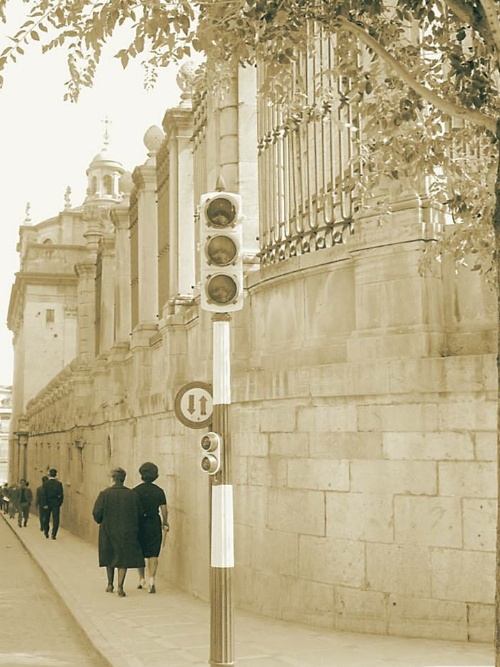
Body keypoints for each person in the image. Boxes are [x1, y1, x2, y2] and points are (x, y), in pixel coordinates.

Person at [92, 467, 145, 598]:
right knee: (123, 558)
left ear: (113, 479)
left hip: (108, 530)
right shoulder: (132, 494)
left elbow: (96, 513)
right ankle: (120, 587)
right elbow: (140, 513)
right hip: (127, 531)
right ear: (123, 479)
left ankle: (110, 584)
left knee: (110, 555)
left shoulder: (104, 494)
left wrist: (100, 521)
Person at [134, 462, 169, 594]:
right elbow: (164, 510)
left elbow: (133, 509)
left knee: (140, 552)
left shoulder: (135, 491)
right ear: (156, 475)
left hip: (139, 523)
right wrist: (165, 523)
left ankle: (141, 579)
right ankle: (152, 579)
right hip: (154, 522)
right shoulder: (159, 491)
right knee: (153, 552)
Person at [41, 468, 64, 539]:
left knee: (46, 517)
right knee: (56, 519)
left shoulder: (45, 484)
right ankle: (54, 534)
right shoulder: (59, 484)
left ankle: (46, 531)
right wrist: (59, 503)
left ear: (49, 474)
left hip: (47, 502)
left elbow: (43, 494)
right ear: (56, 475)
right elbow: (61, 495)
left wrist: (44, 504)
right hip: (55, 503)